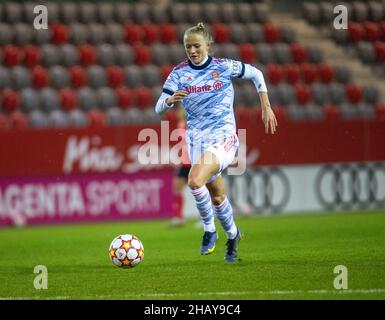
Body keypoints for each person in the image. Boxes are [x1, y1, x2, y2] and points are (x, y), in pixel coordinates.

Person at [155, 22, 277, 263]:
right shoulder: (178, 73)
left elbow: (256, 74)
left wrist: (266, 105)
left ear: (208, 46)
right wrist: (169, 101)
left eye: (197, 46)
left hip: (224, 138)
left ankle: (209, 230)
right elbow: (158, 107)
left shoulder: (223, 66)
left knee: (194, 180)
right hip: (197, 142)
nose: (192, 50)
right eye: (188, 46)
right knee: (218, 197)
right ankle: (233, 236)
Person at [169, 104, 191, 227]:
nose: (178, 112)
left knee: (201, 190)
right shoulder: (180, 124)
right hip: (185, 163)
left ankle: (205, 219)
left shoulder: (190, 123)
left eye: (180, 110)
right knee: (176, 188)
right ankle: (178, 218)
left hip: (194, 162)